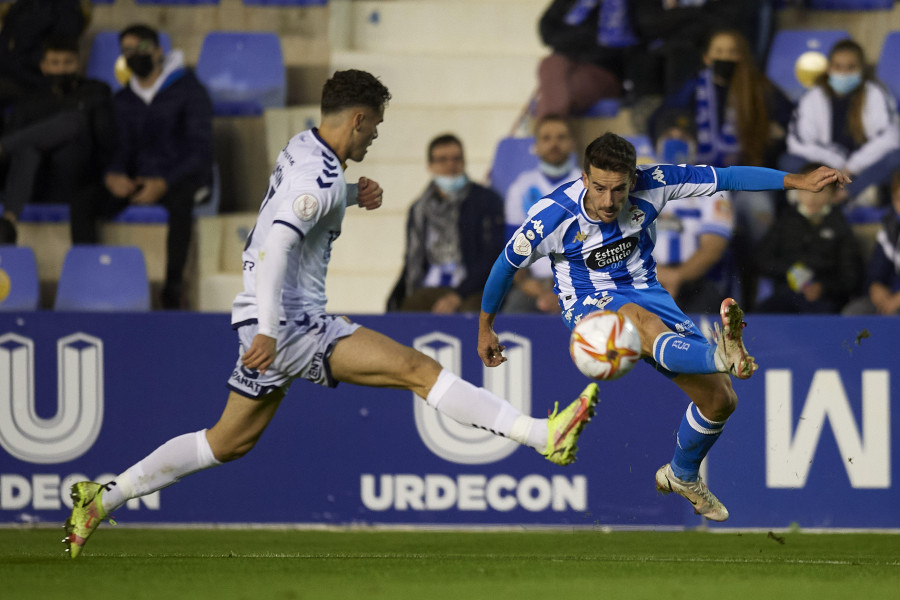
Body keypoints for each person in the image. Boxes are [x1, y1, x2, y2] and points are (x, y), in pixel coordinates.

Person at [63, 69, 599, 558]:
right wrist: (272, 330)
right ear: (358, 118)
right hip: (288, 321)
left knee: (226, 442)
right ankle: (540, 435)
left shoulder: (304, 147)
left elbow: (296, 203)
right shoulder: (317, 182)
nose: (374, 138)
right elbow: (277, 245)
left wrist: (349, 194)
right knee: (417, 370)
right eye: (375, 127)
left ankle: (102, 498)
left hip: (264, 316)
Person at [477, 132, 849, 521]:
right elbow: (505, 267)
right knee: (641, 322)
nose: (608, 201)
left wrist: (796, 181)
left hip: (647, 290)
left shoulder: (657, 182)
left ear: (632, 181)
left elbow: (728, 177)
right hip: (588, 304)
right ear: (585, 178)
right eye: (599, 188)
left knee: (721, 400)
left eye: (618, 190)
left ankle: (682, 474)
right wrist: (486, 328)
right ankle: (720, 354)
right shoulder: (551, 216)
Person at [72, 24, 214, 309]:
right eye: (127, 51)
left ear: (158, 50)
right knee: (83, 202)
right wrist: (114, 174)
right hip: (137, 178)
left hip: (180, 177)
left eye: (141, 48)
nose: (135, 55)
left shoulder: (189, 90)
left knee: (182, 205)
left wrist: (164, 181)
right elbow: (118, 147)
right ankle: (87, 278)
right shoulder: (123, 99)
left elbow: (200, 150)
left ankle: (173, 289)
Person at [0, 36, 114, 245]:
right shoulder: (30, 99)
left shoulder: (95, 90)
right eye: (55, 63)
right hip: (38, 180)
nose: (61, 69)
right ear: (44, 66)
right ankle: (8, 223)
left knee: (72, 121)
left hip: (77, 177)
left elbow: (104, 137)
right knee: (28, 150)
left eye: (67, 62)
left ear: (78, 63)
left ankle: (3, 148)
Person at [387, 134, 505, 313]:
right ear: (430, 166)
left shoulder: (486, 200)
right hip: (427, 287)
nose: (451, 165)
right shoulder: (419, 209)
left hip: (472, 288)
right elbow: (412, 260)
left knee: (474, 311)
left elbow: (492, 256)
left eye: (456, 159)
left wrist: (459, 294)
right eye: (442, 160)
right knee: (404, 311)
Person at [780, 38, 900, 208]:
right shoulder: (812, 97)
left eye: (851, 67)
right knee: (788, 161)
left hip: (861, 169)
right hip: (826, 169)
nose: (844, 73)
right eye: (838, 67)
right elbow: (798, 142)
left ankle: (840, 194)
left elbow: (890, 138)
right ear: (829, 68)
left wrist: (852, 166)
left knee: (896, 158)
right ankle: (859, 193)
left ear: (862, 69)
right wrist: (835, 166)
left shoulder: (876, 94)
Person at [755, 164, 863, 314]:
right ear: (797, 192)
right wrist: (790, 271)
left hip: (825, 300)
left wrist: (823, 287)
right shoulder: (785, 221)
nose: (812, 198)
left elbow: (851, 276)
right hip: (786, 294)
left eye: (819, 190)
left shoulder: (840, 227)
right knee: (762, 315)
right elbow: (762, 260)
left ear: (832, 194)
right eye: (805, 190)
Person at [502, 115, 581, 313]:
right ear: (536, 146)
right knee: (513, 312)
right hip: (533, 283)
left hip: (581, 282)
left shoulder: (587, 186)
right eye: (546, 138)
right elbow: (512, 250)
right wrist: (535, 290)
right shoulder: (521, 187)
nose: (554, 144)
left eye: (561, 137)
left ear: (572, 144)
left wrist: (567, 291)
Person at [534, 0, 625, 120]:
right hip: (565, 66)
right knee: (550, 63)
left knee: (563, 91)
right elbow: (547, 32)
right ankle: (555, 129)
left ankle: (550, 129)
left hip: (602, 69)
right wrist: (583, 38)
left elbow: (613, 44)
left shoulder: (617, 4)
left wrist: (569, 37)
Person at [844, 170, 900, 316]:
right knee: (853, 313)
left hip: (896, 303)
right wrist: (875, 287)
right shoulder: (890, 229)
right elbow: (877, 270)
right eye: (898, 199)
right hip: (890, 298)